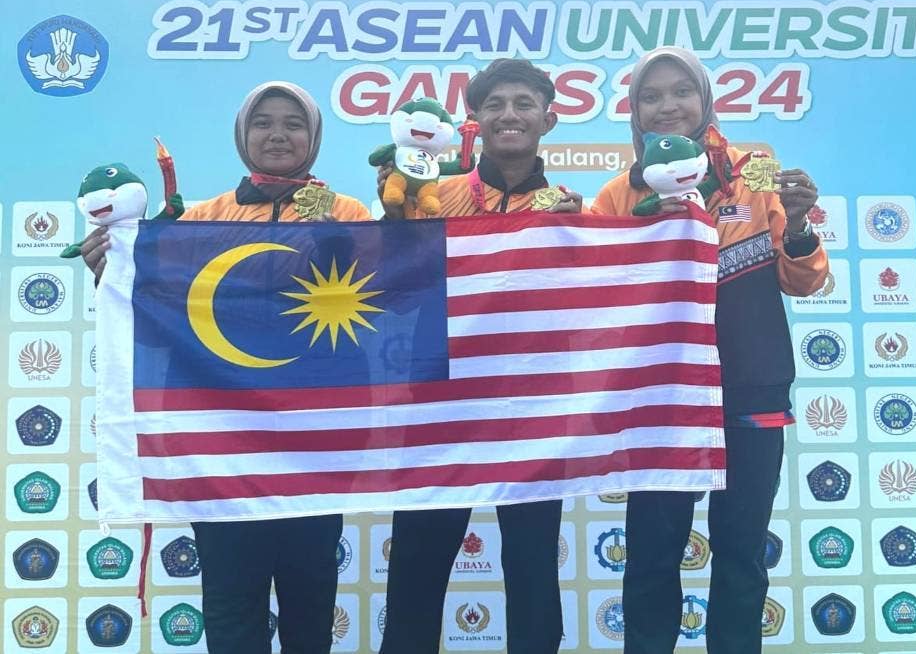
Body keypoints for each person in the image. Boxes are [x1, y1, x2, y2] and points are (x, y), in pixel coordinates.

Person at [81, 81, 370, 654]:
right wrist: (114, 274)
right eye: (263, 122)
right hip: (223, 446)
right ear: (242, 136)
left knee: (310, 602)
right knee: (231, 605)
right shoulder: (201, 218)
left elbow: (379, 305)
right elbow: (162, 305)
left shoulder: (348, 212)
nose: (278, 133)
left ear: (314, 137)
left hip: (313, 446)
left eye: (294, 123)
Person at [590, 46, 829, 654]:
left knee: (742, 549)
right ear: (633, 111)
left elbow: (802, 278)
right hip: (661, 399)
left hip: (752, 386)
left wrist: (798, 228)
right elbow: (595, 294)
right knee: (650, 553)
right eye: (650, 96)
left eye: (680, 92)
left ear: (705, 100)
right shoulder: (619, 194)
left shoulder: (755, 173)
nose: (667, 106)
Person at [377, 58, 582, 654]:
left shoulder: (574, 211)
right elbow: (385, 282)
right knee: (416, 566)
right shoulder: (431, 195)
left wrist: (580, 242)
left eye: (523, 103)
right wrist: (390, 222)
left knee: (532, 571)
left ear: (550, 116)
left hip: (533, 410)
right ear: (476, 120)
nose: (509, 115)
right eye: (494, 105)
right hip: (438, 404)